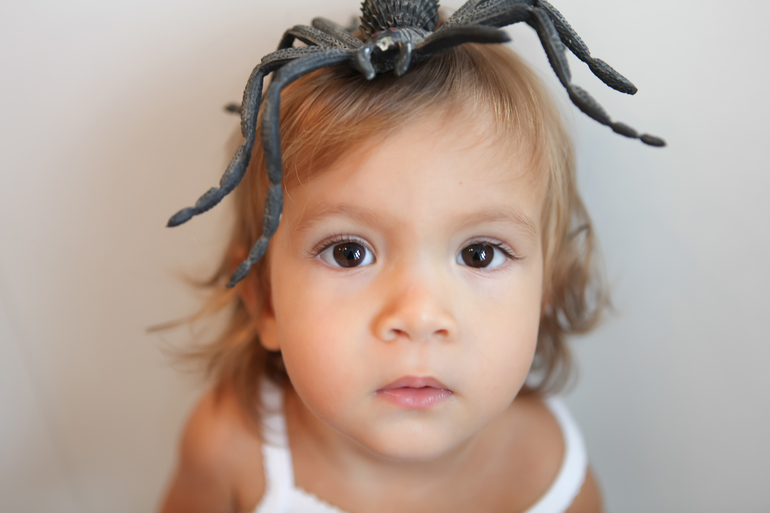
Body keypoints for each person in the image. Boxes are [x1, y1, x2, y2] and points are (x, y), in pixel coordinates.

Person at [159, 38, 608, 513]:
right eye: (349, 254)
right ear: (264, 298)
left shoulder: (552, 476)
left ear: (546, 291)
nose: (418, 317)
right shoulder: (230, 452)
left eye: (479, 255)